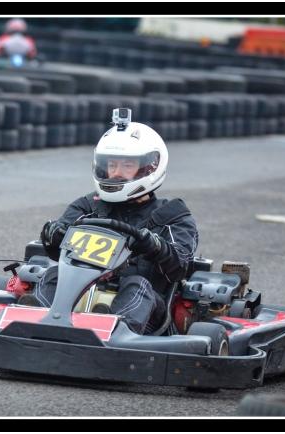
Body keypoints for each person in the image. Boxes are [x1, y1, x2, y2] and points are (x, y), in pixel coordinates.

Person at [34, 108, 198, 335]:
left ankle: (115, 329)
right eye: (112, 166)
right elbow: (55, 252)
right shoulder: (88, 206)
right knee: (52, 275)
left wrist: (153, 245)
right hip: (79, 294)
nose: (116, 173)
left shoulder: (172, 216)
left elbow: (181, 268)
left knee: (136, 284)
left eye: (127, 166)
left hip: (146, 312)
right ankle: (35, 323)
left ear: (149, 167)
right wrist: (53, 234)